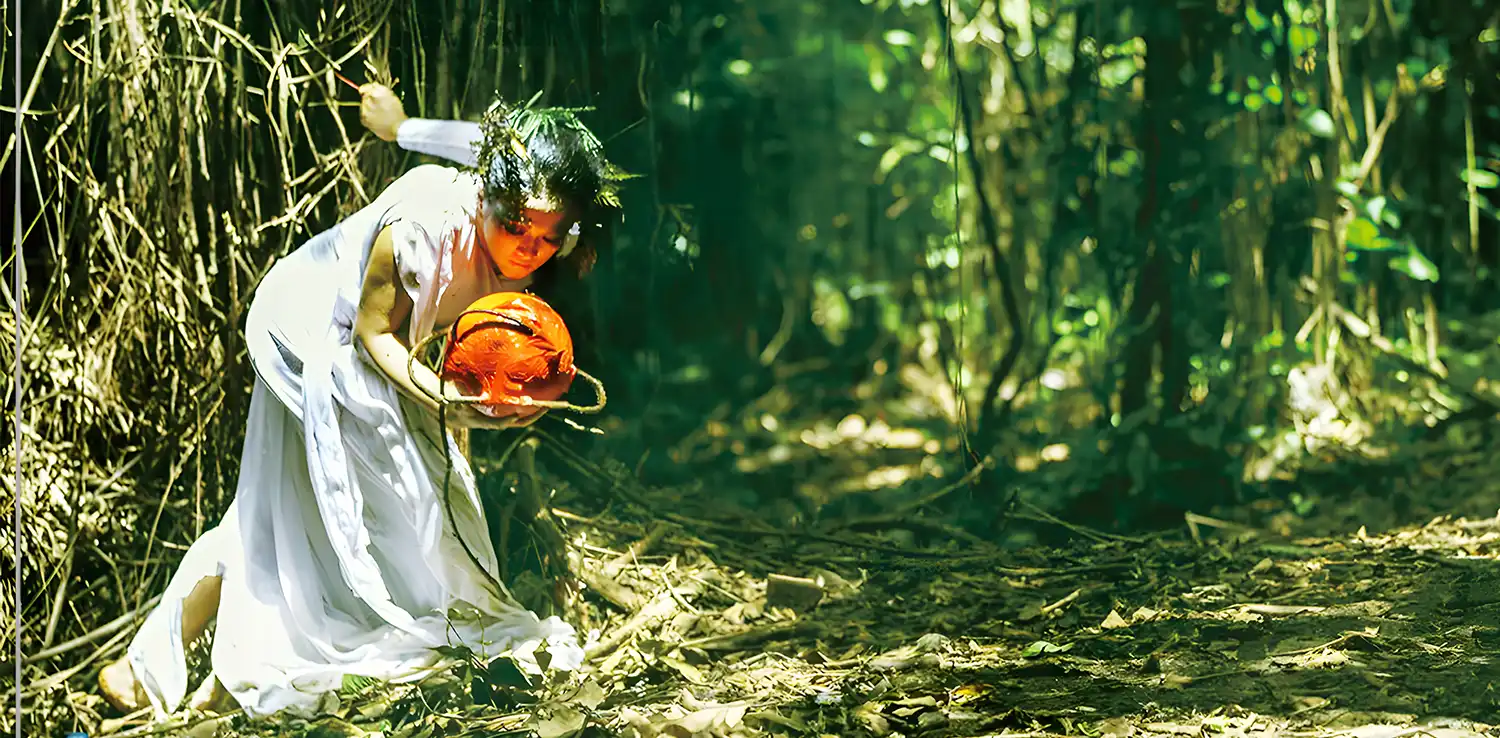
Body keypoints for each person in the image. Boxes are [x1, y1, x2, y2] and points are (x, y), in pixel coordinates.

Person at [97, 86, 624, 720]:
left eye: (549, 235)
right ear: (487, 192)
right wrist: (448, 403)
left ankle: (152, 667)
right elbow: (374, 335)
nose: (530, 247)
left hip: (375, 343)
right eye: (517, 226)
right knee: (299, 506)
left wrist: (404, 128)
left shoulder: (535, 204)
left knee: (276, 508)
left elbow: (478, 138)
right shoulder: (420, 227)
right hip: (309, 329)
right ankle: (222, 667)